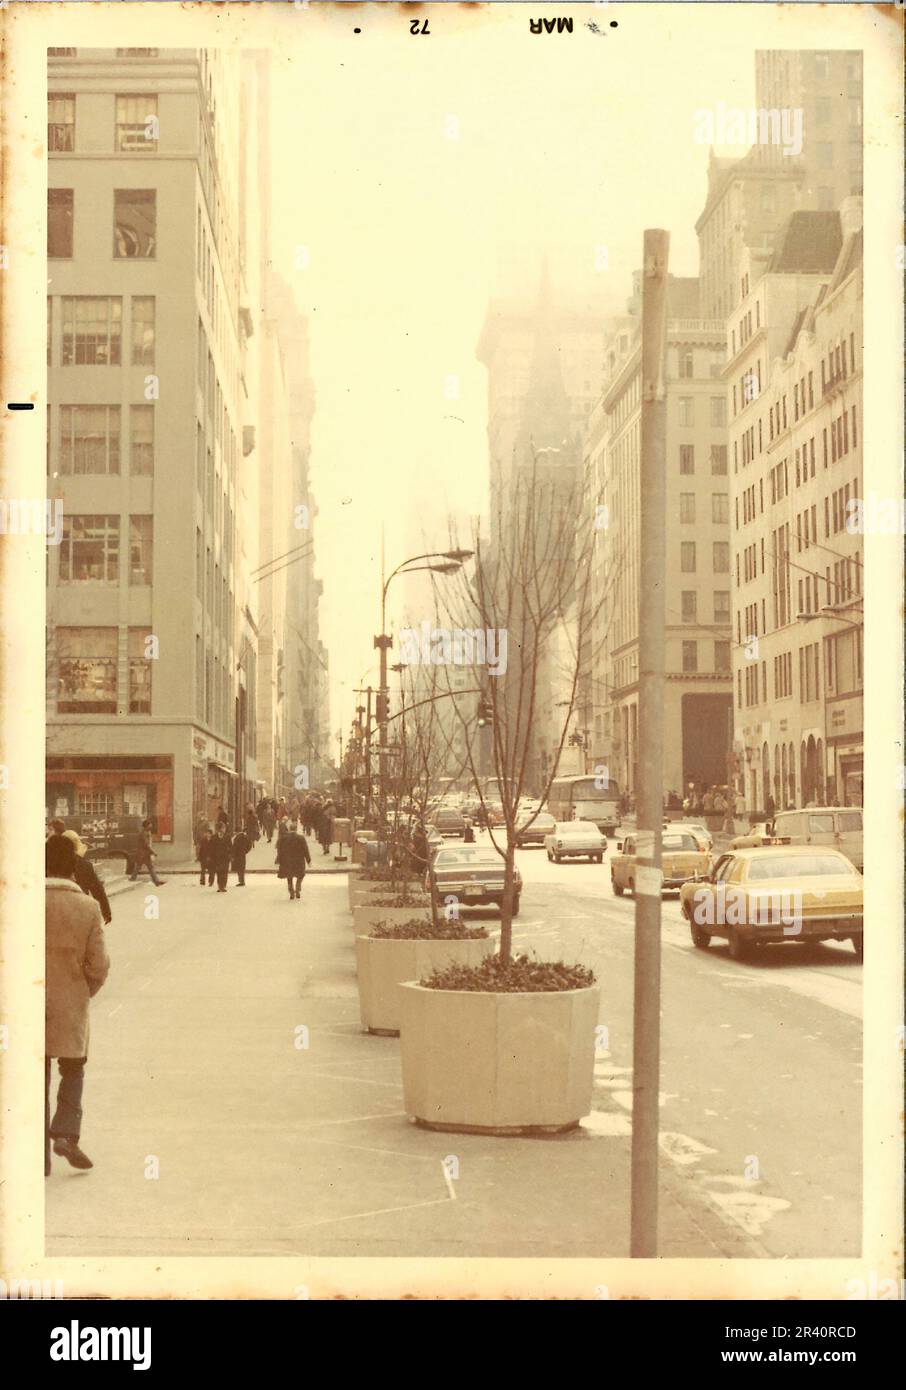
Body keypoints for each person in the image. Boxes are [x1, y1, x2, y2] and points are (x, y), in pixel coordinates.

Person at [45, 834, 110, 1175]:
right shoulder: (87, 907)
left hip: (28, 1003)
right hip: (71, 1002)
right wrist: (84, 990)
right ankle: (66, 1132)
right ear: (73, 868)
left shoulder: (20, 900)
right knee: (73, 1068)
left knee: (33, 1070)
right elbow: (99, 965)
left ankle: (36, 1147)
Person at [47, 822, 112, 925]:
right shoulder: (85, 865)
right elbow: (98, 891)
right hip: (80, 910)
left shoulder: (51, 863)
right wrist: (106, 912)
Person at [275, 820, 311, 899]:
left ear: (289, 829)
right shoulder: (301, 838)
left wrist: (279, 859)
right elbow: (305, 849)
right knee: (300, 875)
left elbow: (279, 849)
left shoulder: (283, 838)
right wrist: (308, 860)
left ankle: (291, 892)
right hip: (298, 861)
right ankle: (298, 888)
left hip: (288, 861)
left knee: (289, 876)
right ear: (296, 829)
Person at [129, 820, 163, 886]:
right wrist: (153, 852)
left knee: (142, 867)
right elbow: (146, 845)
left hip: (144, 854)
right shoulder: (143, 833)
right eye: (150, 824)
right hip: (143, 854)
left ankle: (156, 881)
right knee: (142, 867)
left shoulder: (146, 832)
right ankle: (156, 881)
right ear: (146, 826)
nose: (151, 826)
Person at [210, 823, 232, 893]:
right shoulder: (214, 837)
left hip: (225, 857)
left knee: (225, 872)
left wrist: (230, 855)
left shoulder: (227, 837)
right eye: (223, 828)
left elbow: (230, 846)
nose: (224, 830)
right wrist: (212, 857)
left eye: (224, 828)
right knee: (219, 872)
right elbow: (211, 848)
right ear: (219, 829)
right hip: (217, 858)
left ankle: (223, 886)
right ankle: (220, 886)